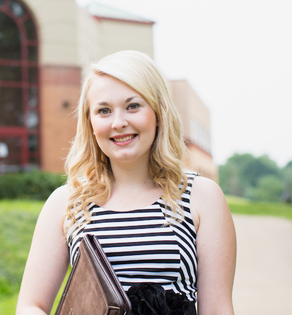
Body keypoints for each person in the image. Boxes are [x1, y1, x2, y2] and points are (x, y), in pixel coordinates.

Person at [16, 50, 236, 315]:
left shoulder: (202, 197)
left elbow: (217, 310)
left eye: (133, 106)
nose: (119, 123)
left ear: (158, 111)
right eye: (104, 110)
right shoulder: (65, 203)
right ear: (90, 122)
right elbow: (31, 306)